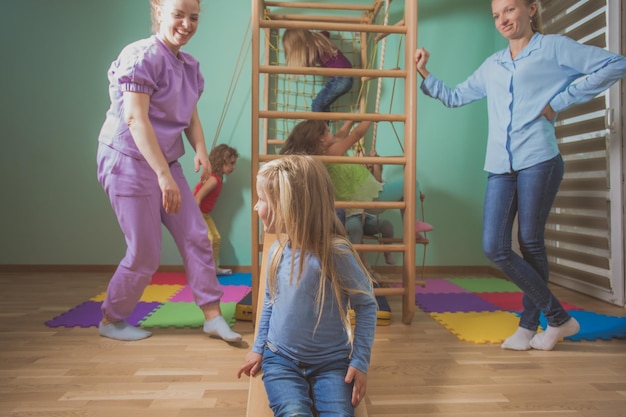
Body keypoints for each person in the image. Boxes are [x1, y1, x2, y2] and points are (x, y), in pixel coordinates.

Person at [415, 0, 626, 351]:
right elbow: (454, 97)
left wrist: (560, 101)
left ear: (531, 8)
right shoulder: (493, 65)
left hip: (539, 159)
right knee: (495, 247)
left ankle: (529, 327)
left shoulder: (554, 48)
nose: (503, 20)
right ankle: (559, 319)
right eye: (496, 15)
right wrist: (425, 71)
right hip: (500, 166)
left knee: (529, 241)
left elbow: (615, 63)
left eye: (510, 10)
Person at [95, 0, 241, 343]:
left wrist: (201, 150)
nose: (187, 24)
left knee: (196, 234)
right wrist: (162, 176)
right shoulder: (140, 57)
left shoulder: (189, 66)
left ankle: (212, 317)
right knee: (145, 252)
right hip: (127, 160)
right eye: (179, 14)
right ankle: (111, 320)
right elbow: (134, 118)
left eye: (193, 17)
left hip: (166, 161)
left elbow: (189, 114)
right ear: (158, 10)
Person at [237, 155, 377, 416]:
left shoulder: (336, 254)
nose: (256, 207)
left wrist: (360, 362)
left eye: (263, 201)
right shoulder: (277, 251)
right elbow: (269, 302)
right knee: (293, 412)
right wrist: (258, 349)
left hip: (332, 364)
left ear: (291, 207)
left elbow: (367, 306)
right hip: (281, 360)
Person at [281, 119, 415, 265]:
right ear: (321, 139)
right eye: (327, 131)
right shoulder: (331, 153)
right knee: (411, 184)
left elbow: (341, 135)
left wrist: (350, 121)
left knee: (381, 220)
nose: (332, 132)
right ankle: (351, 261)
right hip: (365, 196)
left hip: (361, 199)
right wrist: (370, 118)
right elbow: (356, 135)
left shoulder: (325, 152)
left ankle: (355, 261)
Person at [282, 29, 353, 113]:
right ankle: (324, 126)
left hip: (340, 78)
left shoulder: (312, 48)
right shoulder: (319, 40)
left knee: (317, 104)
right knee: (323, 106)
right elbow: (326, 32)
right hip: (346, 77)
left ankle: (318, 126)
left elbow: (304, 64)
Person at [194, 144, 239, 276]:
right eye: (231, 163)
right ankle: (205, 270)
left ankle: (213, 268)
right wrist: (194, 218)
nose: (233, 167)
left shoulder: (216, 178)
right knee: (209, 239)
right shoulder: (213, 179)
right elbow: (196, 197)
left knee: (216, 238)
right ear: (221, 162)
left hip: (205, 214)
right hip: (197, 212)